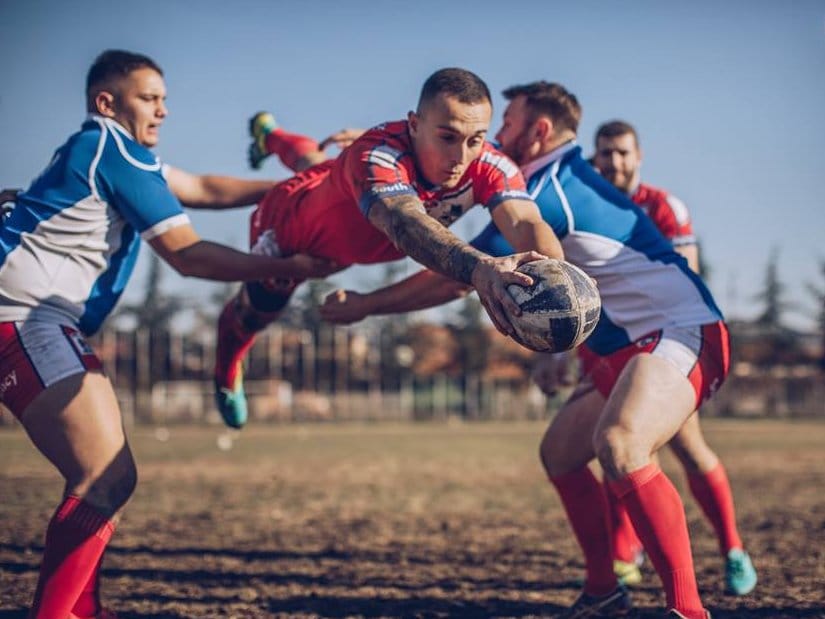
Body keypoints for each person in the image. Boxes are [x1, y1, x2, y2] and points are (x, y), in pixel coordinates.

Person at [318, 81, 731, 619]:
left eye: (504, 125)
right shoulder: (545, 179)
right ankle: (605, 592)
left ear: (537, 132)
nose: (494, 139)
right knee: (560, 454)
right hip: (631, 348)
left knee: (622, 444)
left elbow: (456, 280)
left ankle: (688, 610)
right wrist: (395, 150)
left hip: (683, 330)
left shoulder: (545, 188)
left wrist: (369, 303)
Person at [0, 49, 338, 619]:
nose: (162, 111)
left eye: (164, 100)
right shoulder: (110, 146)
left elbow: (202, 186)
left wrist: (289, 187)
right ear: (107, 102)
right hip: (24, 316)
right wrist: (293, 267)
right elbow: (187, 255)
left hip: (33, 318)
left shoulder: (116, 154)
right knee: (103, 476)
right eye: (148, 98)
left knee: (103, 478)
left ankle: (80, 610)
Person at [213, 68, 562, 429]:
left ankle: (270, 133)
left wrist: (560, 275)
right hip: (290, 232)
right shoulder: (377, 156)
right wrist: (479, 268)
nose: (461, 156)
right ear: (414, 124)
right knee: (253, 313)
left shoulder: (488, 162)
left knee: (317, 162)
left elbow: (524, 222)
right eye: (447, 136)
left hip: (342, 216)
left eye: (476, 138)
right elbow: (405, 223)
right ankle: (225, 371)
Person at [585, 119, 757, 595]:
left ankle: (732, 549)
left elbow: (687, 281)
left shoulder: (664, 208)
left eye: (622, 152)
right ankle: (625, 554)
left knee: (685, 446)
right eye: (604, 153)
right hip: (609, 345)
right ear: (594, 158)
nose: (613, 162)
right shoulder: (586, 206)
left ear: (639, 157)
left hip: (663, 342)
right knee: (615, 446)